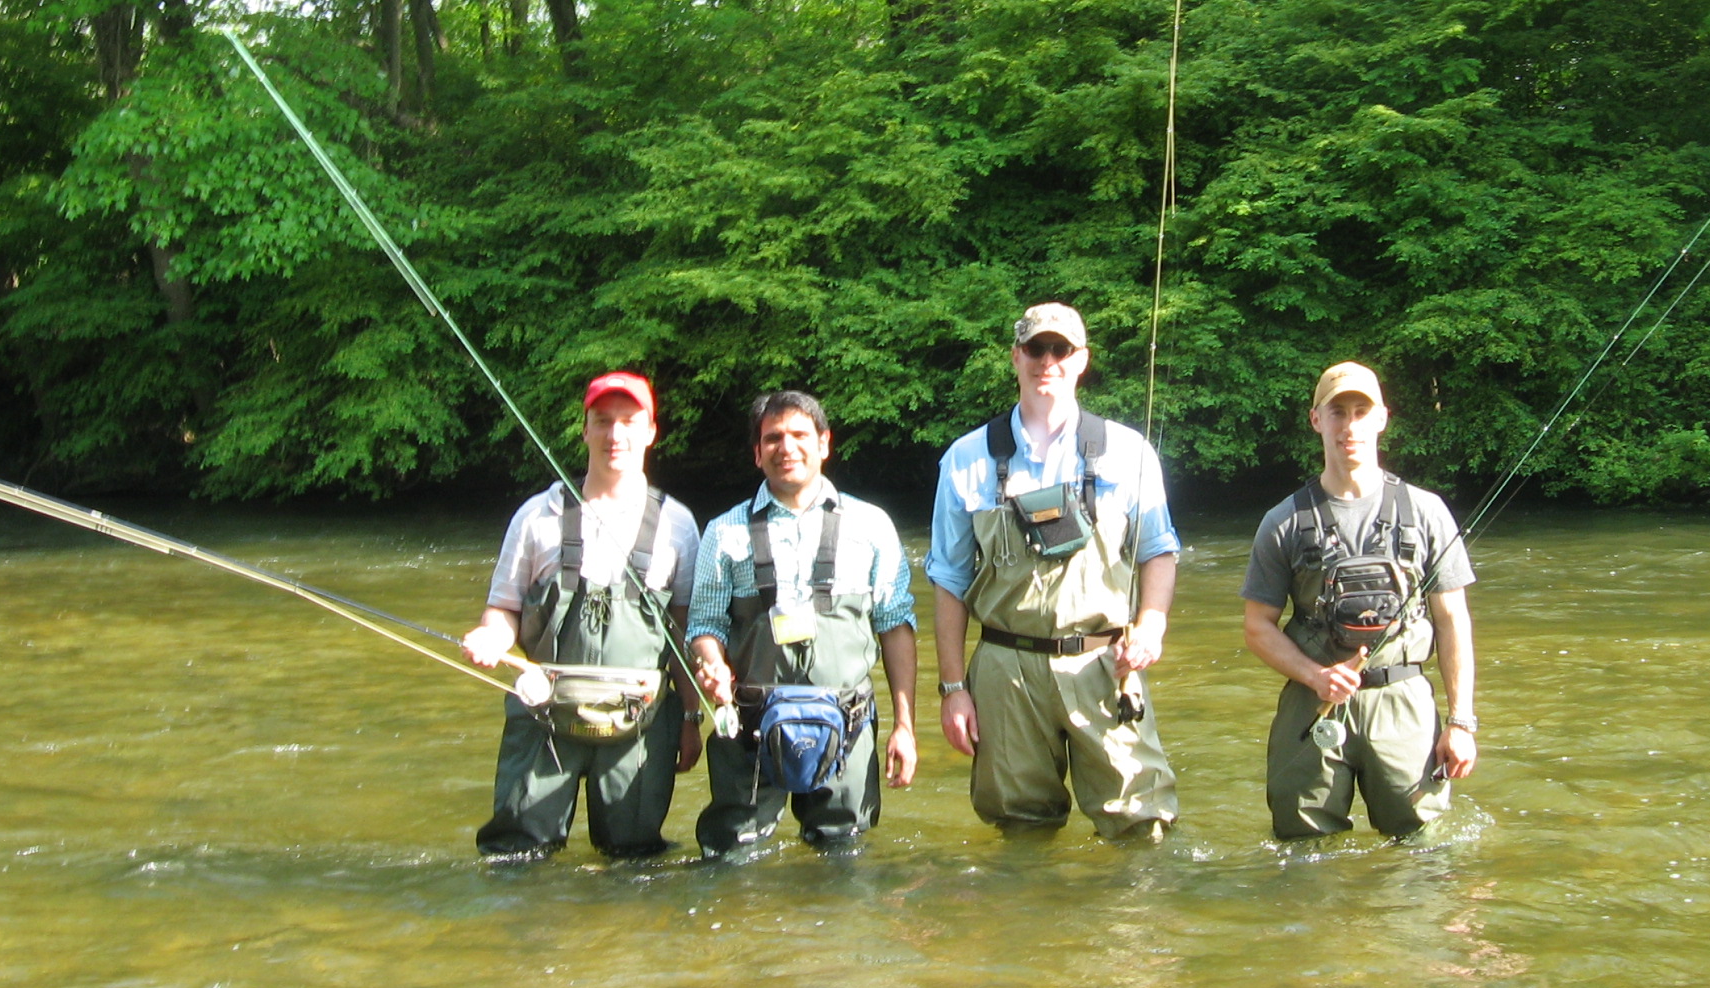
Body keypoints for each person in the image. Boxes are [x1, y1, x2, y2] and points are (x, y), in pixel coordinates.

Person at [927, 303, 1180, 841]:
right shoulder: (965, 458)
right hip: (1004, 669)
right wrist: (953, 687)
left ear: (1081, 360)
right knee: (1018, 826)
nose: (1048, 360)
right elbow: (947, 580)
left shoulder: (1127, 451)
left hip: (1102, 664)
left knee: (1141, 824)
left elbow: (1158, 550)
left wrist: (1152, 624)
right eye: (1036, 349)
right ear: (1016, 357)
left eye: (1061, 350)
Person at [461, 372, 703, 860]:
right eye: (603, 422)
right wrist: (492, 637)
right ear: (585, 430)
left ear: (651, 431)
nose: (617, 435)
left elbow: (682, 634)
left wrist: (692, 717)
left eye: (630, 422)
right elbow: (503, 609)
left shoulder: (679, 524)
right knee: (515, 858)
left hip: (640, 718)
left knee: (636, 862)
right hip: (543, 714)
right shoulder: (536, 515)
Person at [1240, 361, 1479, 840]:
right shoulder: (1282, 521)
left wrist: (1461, 723)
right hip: (1312, 704)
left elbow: (1453, 620)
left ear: (1382, 419)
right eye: (1337, 412)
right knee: (1301, 850)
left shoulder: (1427, 511)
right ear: (1316, 420)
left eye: (1361, 412)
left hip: (1404, 702)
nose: (1349, 426)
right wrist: (1316, 677)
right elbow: (1257, 626)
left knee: (1422, 851)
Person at [686, 390, 919, 855]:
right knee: (731, 857)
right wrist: (711, 664)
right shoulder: (723, 531)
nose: (786, 447)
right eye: (772, 438)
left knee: (845, 857)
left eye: (799, 435)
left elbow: (895, 624)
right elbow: (703, 626)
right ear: (757, 453)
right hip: (748, 724)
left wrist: (904, 726)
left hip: (847, 723)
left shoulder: (871, 525)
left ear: (824, 443)